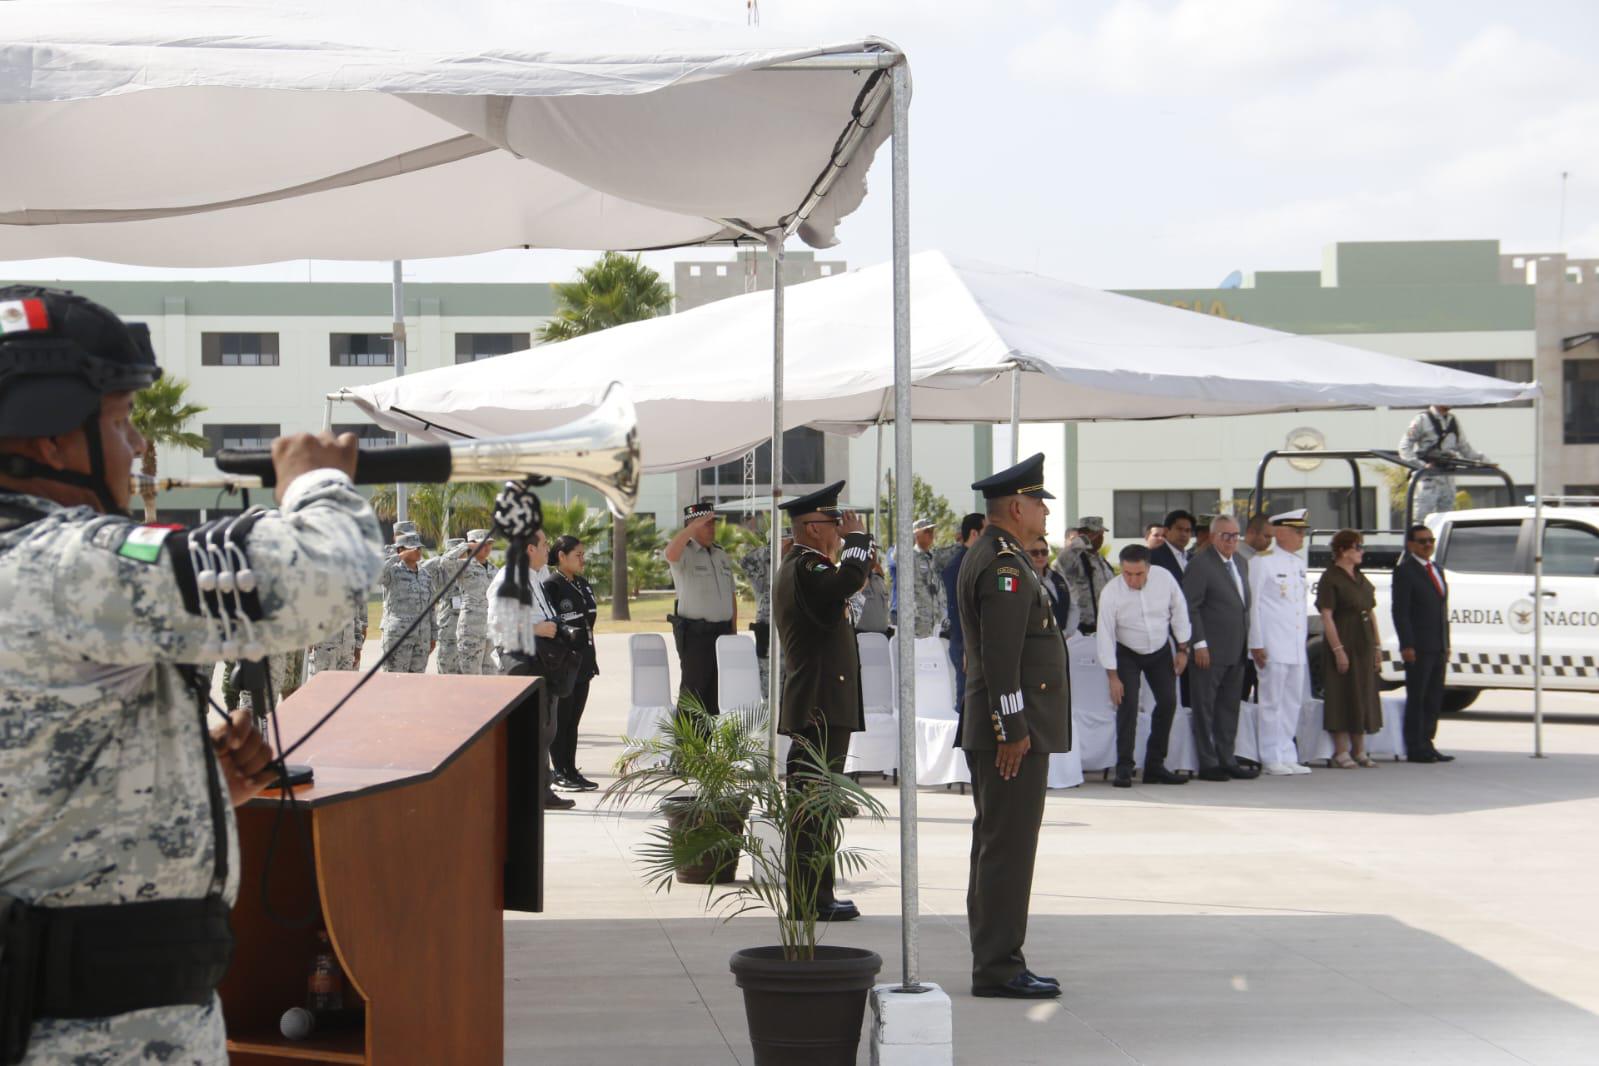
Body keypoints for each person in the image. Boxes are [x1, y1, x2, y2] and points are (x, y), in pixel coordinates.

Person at [0, 284, 382, 1063]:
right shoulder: (59, 564)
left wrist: (195, 786)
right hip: (88, 1032)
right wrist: (317, 483)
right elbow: (312, 581)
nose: (137, 445)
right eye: (117, 420)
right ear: (46, 441)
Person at [958, 452, 1069, 1000]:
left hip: (1006, 725)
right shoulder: (1003, 564)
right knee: (1007, 848)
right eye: (1040, 506)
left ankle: (997, 958)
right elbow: (1001, 658)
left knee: (997, 843)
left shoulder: (1001, 555)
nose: (1046, 516)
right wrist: (1013, 729)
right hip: (1010, 733)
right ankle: (1000, 967)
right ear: (1018, 506)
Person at [773, 481, 874, 923]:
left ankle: (817, 895)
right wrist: (857, 541)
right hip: (818, 705)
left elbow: (849, 583)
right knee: (813, 807)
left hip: (820, 702)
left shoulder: (806, 565)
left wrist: (852, 546)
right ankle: (809, 898)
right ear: (812, 528)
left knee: (818, 806)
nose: (839, 527)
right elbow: (847, 581)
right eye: (833, 521)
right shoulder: (806, 567)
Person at [488, 528, 576, 810]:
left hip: (542, 659)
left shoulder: (535, 577)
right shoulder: (510, 577)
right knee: (527, 731)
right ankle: (522, 793)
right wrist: (536, 627)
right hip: (521, 659)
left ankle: (541, 791)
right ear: (530, 549)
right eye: (545, 543)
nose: (548, 548)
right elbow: (497, 622)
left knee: (544, 729)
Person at [1096, 543, 1191, 788]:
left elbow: (1179, 610)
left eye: (1138, 574)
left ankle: (1155, 766)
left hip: (1159, 649)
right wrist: (1112, 676)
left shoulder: (1164, 578)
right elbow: (1105, 634)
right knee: (1127, 706)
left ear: (1148, 568)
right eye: (1127, 573)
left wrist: (1183, 648)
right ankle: (1124, 768)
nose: (1132, 579)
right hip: (1127, 651)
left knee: (1169, 702)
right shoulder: (1111, 592)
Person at [1183, 514, 1257, 781]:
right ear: (1214, 537)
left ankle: (1227, 758)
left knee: (1229, 708)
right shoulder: (1201, 564)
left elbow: (1241, 606)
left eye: (1235, 535)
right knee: (1205, 707)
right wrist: (1199, 643)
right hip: (1209, 650)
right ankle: (1208, 761)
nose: (1231, 541)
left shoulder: (1240, 562)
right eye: (1226, 536)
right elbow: (1190, 607)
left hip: (1235, 648)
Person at [1246, 509, 1312, 776]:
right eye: (1298, 532)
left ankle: (1287, 753)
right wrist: (1256, 642)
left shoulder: (1297, 564)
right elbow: (1253, 606)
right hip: (1272, 644)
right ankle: (1270, 755)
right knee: (1271, 702)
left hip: (1294, 645)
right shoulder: (1262, 562)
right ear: (1281, 533)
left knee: (1292, 702)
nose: (1302, 538)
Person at [1316, 529, 1383, 768]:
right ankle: (1341, 750)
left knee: (1362, 692)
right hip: (1344, 638)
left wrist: (1377, 645)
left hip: (1363, 641)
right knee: (1342, 693)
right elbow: (1327, 615)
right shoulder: (1331, 578)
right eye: (1357, 547)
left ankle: (1360, 749)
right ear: (1343, 551)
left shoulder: (1360, 577)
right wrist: (1338, 649)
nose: (1361, 552)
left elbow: (1370, 611)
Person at [665, 500, 736, 713]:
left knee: (716, 695)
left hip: (722, 633)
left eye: (713, 523)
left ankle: (708, 744)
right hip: (696, 635)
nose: (712, 527)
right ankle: (688, 746)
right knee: (694, 694)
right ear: (692, 525)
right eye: (707, 523)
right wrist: (691, 529)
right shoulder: (684, 553)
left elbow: (730, 594)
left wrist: (733, 629)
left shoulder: (721, 554)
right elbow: (670, 554)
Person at [1391, 523, 1454, 763]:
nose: (1428, 544)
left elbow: (1441, 610)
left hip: (1436, 644)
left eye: (1430, 540)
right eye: (1422, 541)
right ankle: (1415, 746)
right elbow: (1401, 611)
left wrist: (1446, 643)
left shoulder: (1435, 568)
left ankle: (1428, 742)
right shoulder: (1405, 571)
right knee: (1417, 697)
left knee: (1434, 696)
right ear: (1410, 544)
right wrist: (1407, 644)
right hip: (1417, 645)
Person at [545, 535, 600, 791]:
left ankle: (571, 769)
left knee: (574, 721)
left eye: (583, 554)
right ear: (561, 556)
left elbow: (589, 620)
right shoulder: (552, 585)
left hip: (584, 661)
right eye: (577, 555)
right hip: (564, 663)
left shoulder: (581, 583)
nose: (582, 559)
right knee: (562, 719)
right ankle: (559, 771)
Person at [1399, 404, 1494, 519]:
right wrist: (1422, 466)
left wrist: (1485, 462)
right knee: (1421, 521)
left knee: (1446, 520)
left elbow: (1465, 448)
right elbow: (1404, 447)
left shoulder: (1452, 420)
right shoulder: (1422, 419)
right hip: (1428, 479)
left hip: (1447, 477)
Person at [378, 532, 444, 672]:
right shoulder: (393, 572)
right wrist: (399, 556)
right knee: (395, 681)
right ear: (401, 549)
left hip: (421, 638)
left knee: (416, 683)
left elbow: (431, 607)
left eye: (419, 548)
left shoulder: (425, 575)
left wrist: (433, 635)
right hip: (398, 637)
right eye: (413, 548)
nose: (418, 551)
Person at [942, 512, 987, 721]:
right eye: (986, 531)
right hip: (964, 642)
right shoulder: (957, 565)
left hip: (979, 641)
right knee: (966, 699)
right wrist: (967, 646)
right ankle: (961, 750)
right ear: (975, 533)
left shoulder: (981, 560)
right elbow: (957, 609)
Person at [741, 530, 792, 694]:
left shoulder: (797, 563)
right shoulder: (762, 565)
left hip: (793, 638)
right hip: (769, 637)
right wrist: (776, 548)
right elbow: (746, 561)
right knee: (770, 694)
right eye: (788, 543)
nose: (790, 547)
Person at [1055, 515, 1112, 636]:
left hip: (1104, 626)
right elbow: (1062, 560)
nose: (1100, 538)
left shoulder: (1101, 560)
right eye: (1097, 535)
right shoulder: (1076, 559)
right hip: (1082, 629)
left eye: (1102, 535)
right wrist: (1082, 541)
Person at [454, 529, 499, 675]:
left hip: (491, 631)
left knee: (491, 676)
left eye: (489, 544)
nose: (487, 548)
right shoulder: (463, 566)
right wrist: (464, 547)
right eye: (483, 544)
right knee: (470, 677)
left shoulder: (495, 570)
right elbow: (444, 562)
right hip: (471, 630)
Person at [1030, 536, 1078, 636]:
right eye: (1034, 553)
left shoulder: (1059, 578)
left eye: (1044, 552)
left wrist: (1068, 633)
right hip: (1041, 640)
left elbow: (1073, 607)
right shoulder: (1026, 581)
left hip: (1066, 638)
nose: (1040, 556)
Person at [433, 536, 466, 674]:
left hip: (467, 627)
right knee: (446, 665)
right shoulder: (442, 570)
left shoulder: (471, 569)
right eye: (459, 553)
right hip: (448, 626)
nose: (462, 557)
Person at [851, 544, 892, 636]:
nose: (873, 555)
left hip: (883, 640)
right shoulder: (853, 578)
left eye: (874, 551)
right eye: (870, 551)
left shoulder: (879, 579)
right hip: (860, 640)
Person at [1151, 508, 1194, 584]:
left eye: (1187, 530)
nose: (1184, 534)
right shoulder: (1152, 556)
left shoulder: (1194, 559)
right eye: (1179, 529)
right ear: (1166, 531)